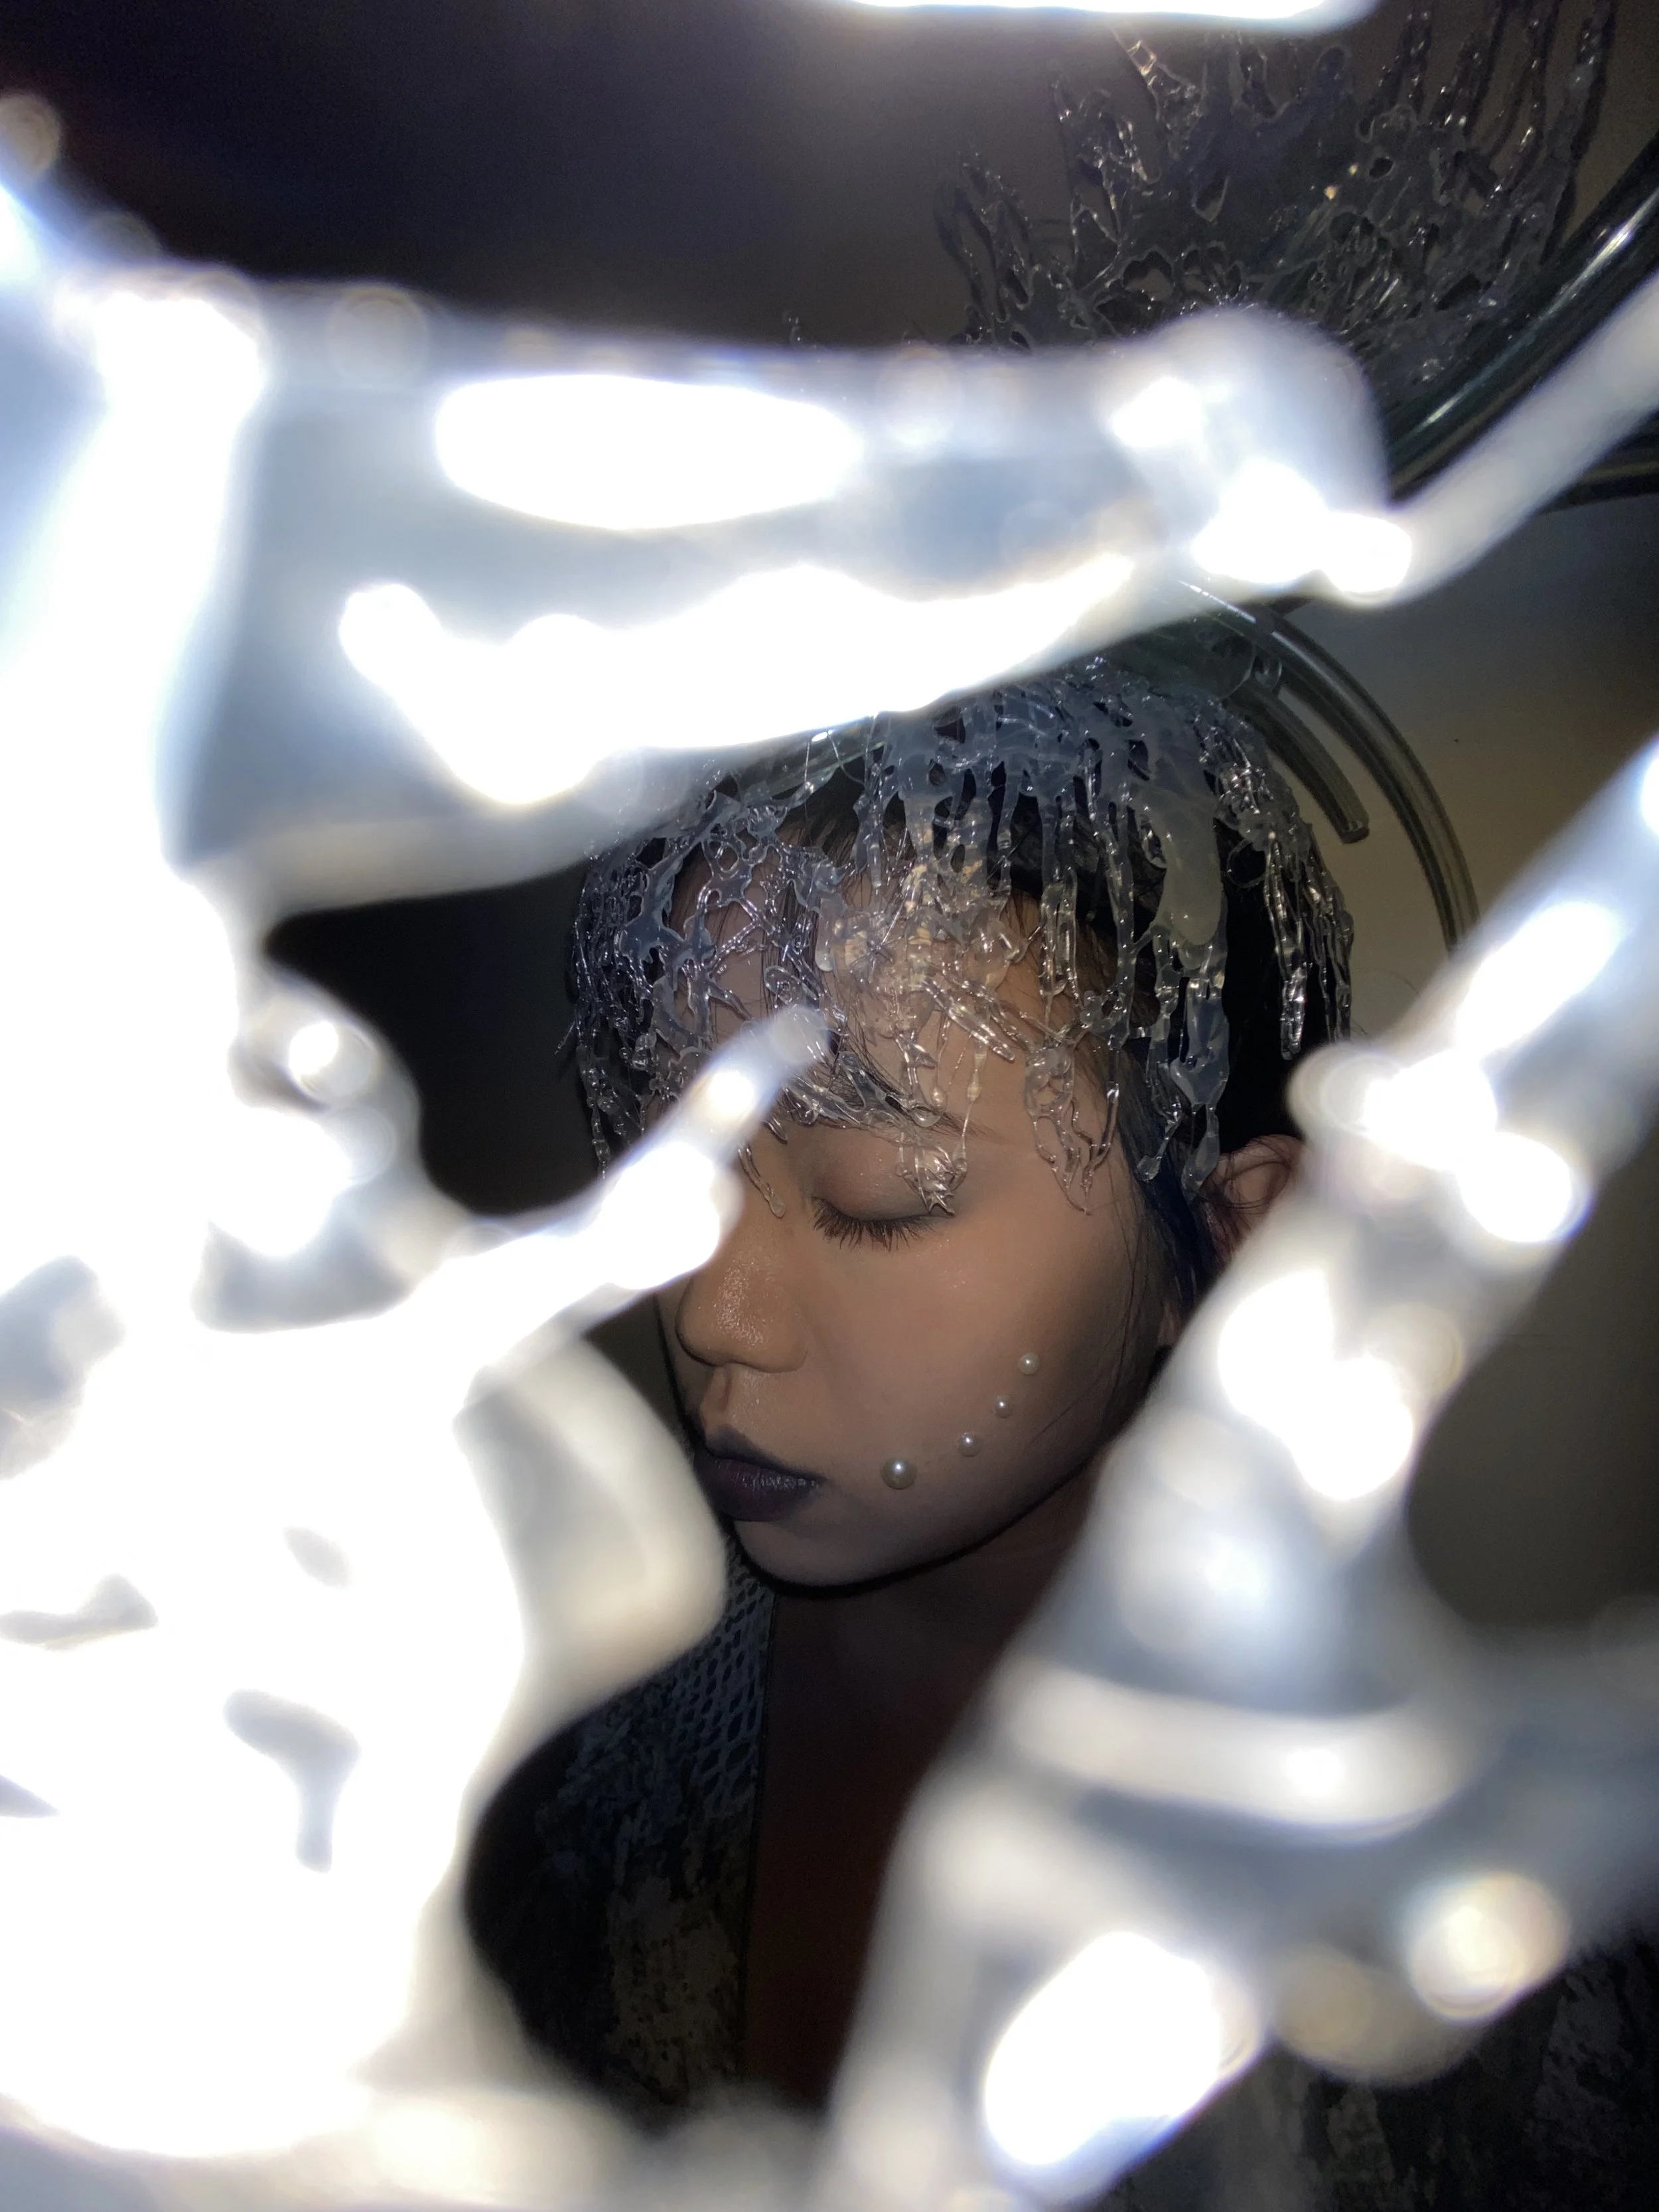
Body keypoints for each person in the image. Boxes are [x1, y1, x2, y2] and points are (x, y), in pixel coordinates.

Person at [467, 644, 1351, 2114]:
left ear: (1235, 1229)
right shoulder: (543, 1719)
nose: (711, 1313)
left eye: (883, 1193)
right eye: (674, 1166)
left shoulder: (1427, 1922)